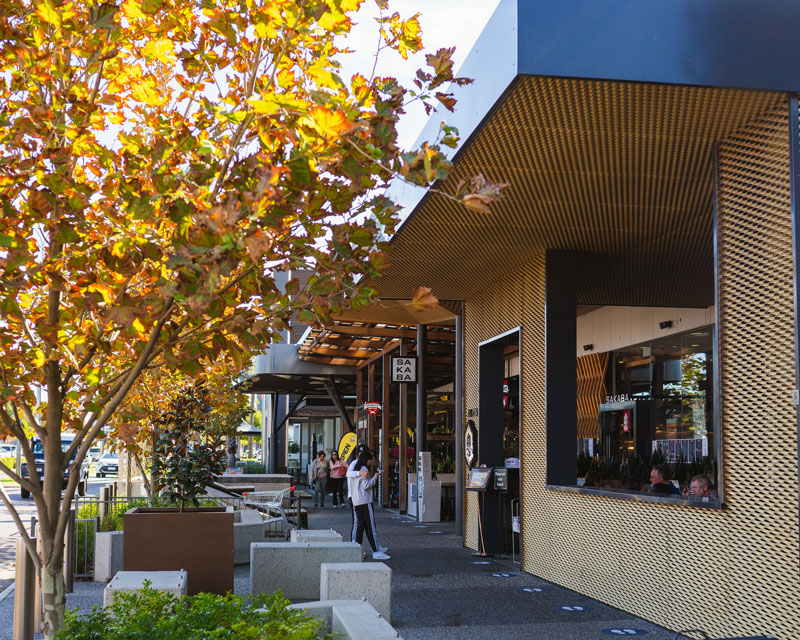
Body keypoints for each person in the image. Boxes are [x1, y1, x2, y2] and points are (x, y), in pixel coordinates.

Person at [346, 449, 389, 560]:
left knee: (360, 526)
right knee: (370, 527)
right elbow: (366, 485)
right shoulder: (364, 469)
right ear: (367, 459)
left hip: (356, 501)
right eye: (371, 459)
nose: (372, 461)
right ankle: (376, 551)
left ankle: (357, 551)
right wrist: (375, 477)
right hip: (365, 501)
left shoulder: (355, 468)